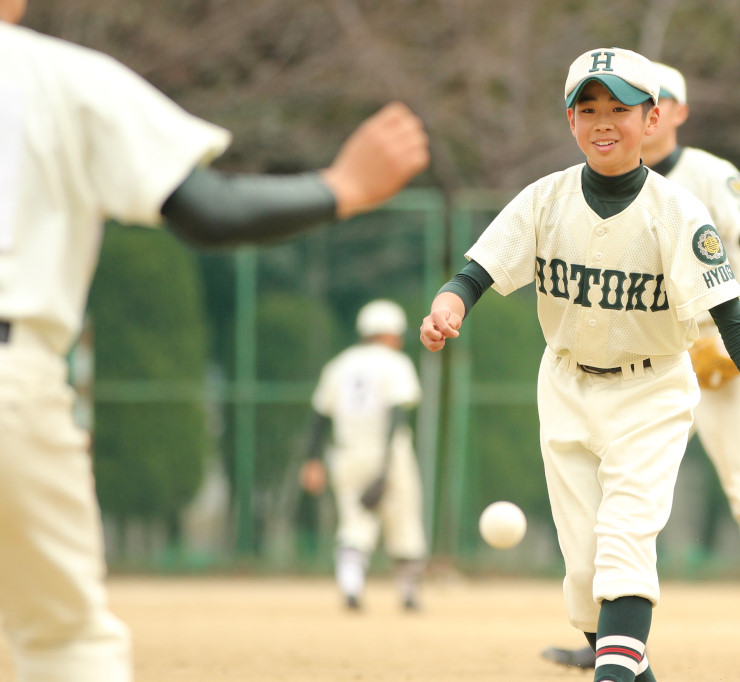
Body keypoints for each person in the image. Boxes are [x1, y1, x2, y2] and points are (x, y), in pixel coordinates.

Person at [0, 2, 429, 679]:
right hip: (12, 376)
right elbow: (210, 210)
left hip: (345, 448)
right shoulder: (57, 77)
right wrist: (341, 186)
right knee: (64, 642)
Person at [420, 46, 740, 682]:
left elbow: (738, 325)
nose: (603, 120)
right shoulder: (543, 200)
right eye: (588, 107)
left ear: (653, 118)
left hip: (652, 392)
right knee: (584, 580)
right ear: (571, 122)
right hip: (566, 387)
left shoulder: (681, 211)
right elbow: (475, 273)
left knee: (626, 546)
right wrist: (448, 306)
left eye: (620, 107)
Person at [539, 61, 740, 679]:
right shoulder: (592, 190)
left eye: (640, 104)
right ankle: (611, 637)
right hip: (650, 353)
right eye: (593, 106)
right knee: (609, 495)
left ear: (670, 112)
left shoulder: (708, 176)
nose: (613, 116)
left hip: (723, 346)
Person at [298, 300, 428, 612]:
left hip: (347, 453)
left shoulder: (339, 364)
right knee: (404, 521)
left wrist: (311, 460)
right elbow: (397, 412)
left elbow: (318, 416)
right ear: (390, 333)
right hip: (389, 451)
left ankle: (351, 586)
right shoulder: (396, 363)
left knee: (354, 522)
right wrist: (385, 464)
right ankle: (408, 594)